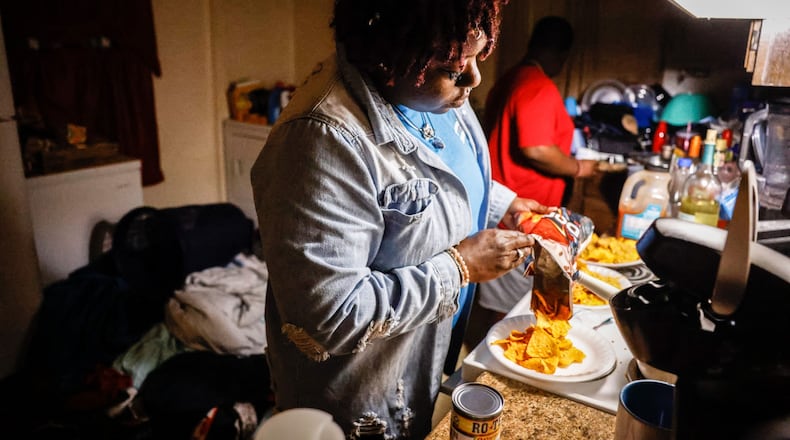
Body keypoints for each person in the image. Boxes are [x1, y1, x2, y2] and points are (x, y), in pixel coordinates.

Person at [250, 1, 552, 438]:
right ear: (388, 57)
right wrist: (460, 268)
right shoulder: (319, 139)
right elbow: (331, 315)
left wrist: (502, 203)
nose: (474, 78)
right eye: (454, 67)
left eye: (477, 56)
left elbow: (439, 174)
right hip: (364, 400)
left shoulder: (433, 89)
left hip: (425, 357)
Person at [468, 16, 597, 347]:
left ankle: (484, 357)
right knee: (510, 314)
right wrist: (579, 168)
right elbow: (535, 148)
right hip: (520, 217)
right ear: (562, 55)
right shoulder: (536, 85)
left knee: (496, 306)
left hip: (505, 205)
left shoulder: (510, 79)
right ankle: (492, 367)